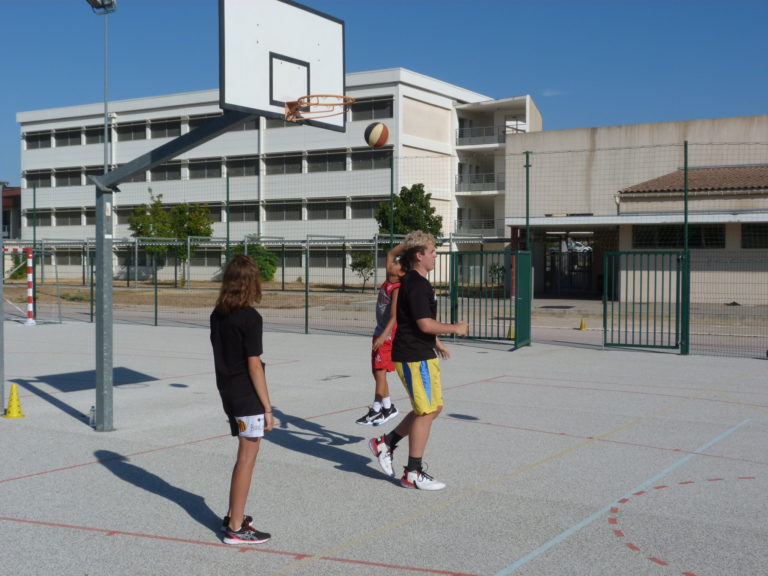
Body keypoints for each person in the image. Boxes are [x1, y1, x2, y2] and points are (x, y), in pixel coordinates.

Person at [369, 231, 469, 490]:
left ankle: (386, 443)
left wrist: (436, 343)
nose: (435, 256)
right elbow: (424, 324)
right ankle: (412, 473)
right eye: (432, 252)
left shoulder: (418, 283)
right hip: (413, 357)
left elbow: (414, 322)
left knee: (434, 408)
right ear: (419, 255)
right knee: (425, 412)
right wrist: (455, 328)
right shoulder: (415, 284)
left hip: (423, 353)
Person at [210, 254, 274, 544]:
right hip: (246, 395)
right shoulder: (250, 317)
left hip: (228, 391)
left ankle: (233, 515)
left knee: (244, 456)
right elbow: (254, 365)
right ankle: (236, 528)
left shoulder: (218, 314)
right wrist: (267, 408)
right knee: (247, 459)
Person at [355, 242, 406, 426]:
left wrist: (384, 336)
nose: (392, 263)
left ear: (401, 273)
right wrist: (407, 243)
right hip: (380, 332)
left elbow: (394, 317)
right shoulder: (388, 280)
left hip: (387, 335)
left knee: (380, 371)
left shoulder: (397, 288)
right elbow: (391, 253)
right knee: (377, 372)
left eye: (397, 264)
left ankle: (377, 409)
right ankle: (388, 407)